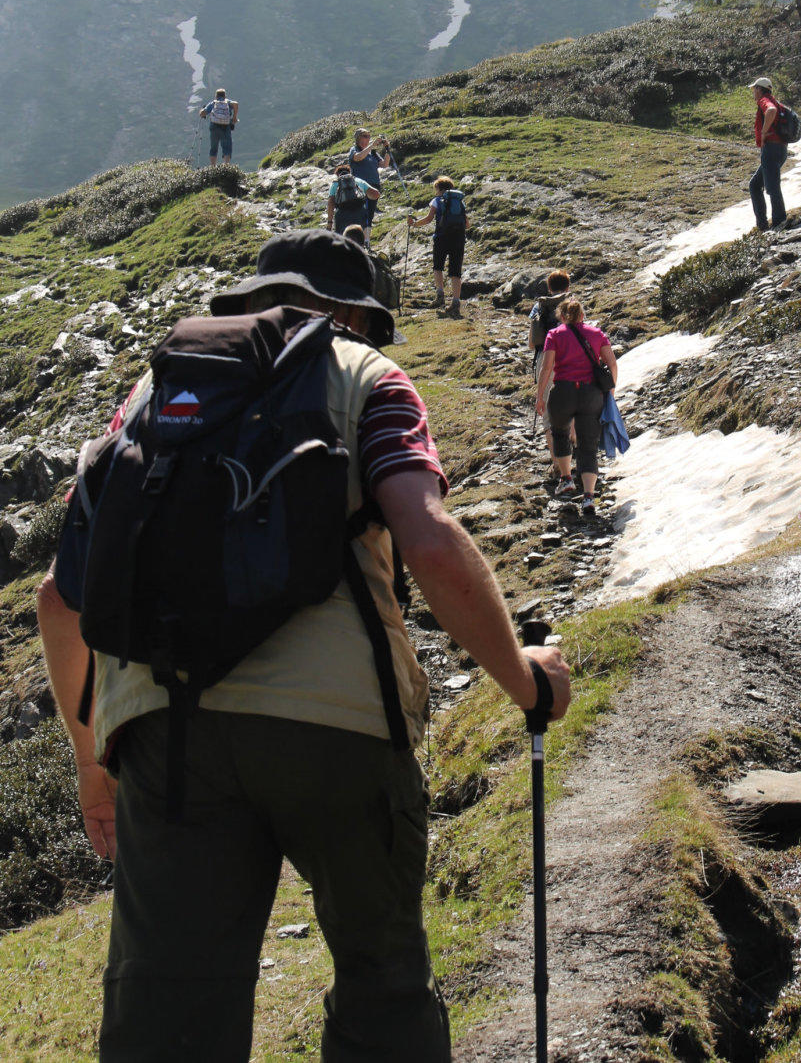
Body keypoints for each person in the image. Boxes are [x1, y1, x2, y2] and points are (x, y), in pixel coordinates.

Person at [36, 230, 570, 1063]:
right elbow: (428, 540)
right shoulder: (367, 375)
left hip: (162, 732)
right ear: (354, 315)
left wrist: (91, 763)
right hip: (339, 723)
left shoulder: (154, 393)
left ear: (252, 301)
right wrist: (525, 682)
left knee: (166, 1012)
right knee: (381, 978)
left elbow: (58, 598)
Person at [535, 297, 617, 518]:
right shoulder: (597, 334)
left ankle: (566, 478)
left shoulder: (554, 335)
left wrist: (540, 396)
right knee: (588, 444)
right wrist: (610, 391)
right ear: (582, 315)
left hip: (563, 391)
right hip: (591, 393)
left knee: (560, 432)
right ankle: (589, 496)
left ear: (562, 316)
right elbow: (611, 363)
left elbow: (547, 367)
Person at [528, 270, 572, 469]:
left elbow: (532, 343)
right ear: (568, 287)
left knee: (548, 415)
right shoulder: (572, 305)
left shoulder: (539, 307)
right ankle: (571, 461)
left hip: (544, 359)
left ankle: (557, 466)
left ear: (549, 287)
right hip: (570, 359)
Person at [408, 177, 467, 318]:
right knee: (456, 271)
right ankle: (456, 303)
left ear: (439, 189)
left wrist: (414, 224)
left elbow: (429, 219)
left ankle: (440, 296)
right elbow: (467, 224)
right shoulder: (460, 202)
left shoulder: (437, 201)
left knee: (438, 267)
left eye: (436, 189)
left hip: (441, 238)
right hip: (458, 239)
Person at [748, 76, 787, 231]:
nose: (753, 92)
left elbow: (771, 111)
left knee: (771, 186)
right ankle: (765, 224)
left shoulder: (765, 101)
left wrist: (764, 133)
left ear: (759, 89)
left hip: (771, 149)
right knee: (756, 185)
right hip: (780, 149)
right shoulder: (775, 100)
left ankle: (778, 221)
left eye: (754, 89)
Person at [348, 129, 391, 246]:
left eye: (369, 136)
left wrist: (387, 149)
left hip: (374, 185)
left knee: (370, 213)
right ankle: (357, 239)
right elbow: (358, 158)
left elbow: (385, 164)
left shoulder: (373, 153)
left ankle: (366, 241)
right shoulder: (354, 149)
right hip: (360, 186)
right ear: (358, 138)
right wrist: (371, 145)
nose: (368, 138)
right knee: (361, 212)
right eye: (365, 136)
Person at [327, 162, 380, 237]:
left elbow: (331, 203)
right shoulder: (358, 181)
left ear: (337, 175)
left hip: (342, 214)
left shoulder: (335, 184)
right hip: (359, 213)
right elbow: (376, 194)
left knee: (342, 238)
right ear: (350, 172)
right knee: (359, 236)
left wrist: (329, 222)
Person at [199, 88, 239, 165]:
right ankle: (226, 165)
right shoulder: (227, 102)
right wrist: (234, 117)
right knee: (227, 147)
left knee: (213, 147)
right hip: (225, 126)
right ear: (225, 96)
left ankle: (213, 166)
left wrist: (201, 110)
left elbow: (203, 113)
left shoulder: (213, 103)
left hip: (214, 126)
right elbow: (236, 104)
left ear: (216, 96)